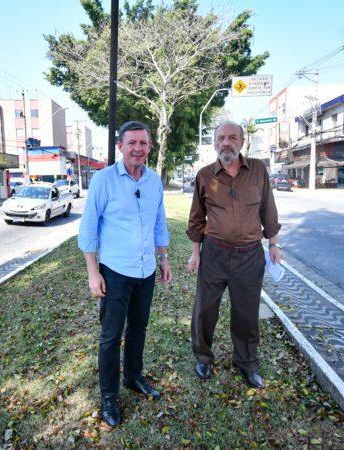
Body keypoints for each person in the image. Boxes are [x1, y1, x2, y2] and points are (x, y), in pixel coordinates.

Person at [78, 121, 172, 427]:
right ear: (120, 146)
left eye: (143, 143)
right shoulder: (104, 180)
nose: (138, 149)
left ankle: (134, 377)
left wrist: (164, 258)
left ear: (149, 146)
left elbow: (159, 222)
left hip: (145, 272)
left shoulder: (154, 181)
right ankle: (109, 396)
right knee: (110, 336)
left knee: (139, 329)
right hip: (115, 272)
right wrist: (94, 272)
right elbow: (88, 228)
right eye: (132, 143)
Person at [186, 120, 282, 389]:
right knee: (204, 310)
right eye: (220, 138)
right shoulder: (205, 175)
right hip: (214, 254)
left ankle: (248, 364)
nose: (225, 143)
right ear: (214, 142)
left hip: (250, 257)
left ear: (241, 142)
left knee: (246, 313)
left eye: (231, 137)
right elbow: (196, 218)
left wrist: (273, 244)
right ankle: (203, 357)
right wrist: (196, 253)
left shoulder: (259, 170)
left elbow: (269, 211)